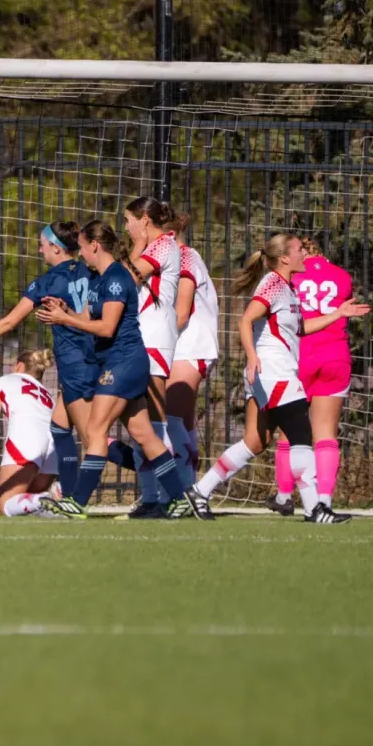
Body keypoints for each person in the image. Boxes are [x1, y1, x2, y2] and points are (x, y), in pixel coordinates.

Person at [189, 234, 368, 524]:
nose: (304, 255)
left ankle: (199, 491)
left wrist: (339, 313)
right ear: (284, 258)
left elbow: (302, 328)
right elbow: (246, 320)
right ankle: (315, 509)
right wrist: (252, 356)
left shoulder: (288, 288)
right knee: (301, 435)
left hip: (273, 373)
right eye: (299, 250)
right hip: (274, 371)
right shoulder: (272, 284)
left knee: (255, 442)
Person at [35, 221, 203, 520]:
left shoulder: (115, 278)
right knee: (144, 434)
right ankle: (179, 498)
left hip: (123, 363)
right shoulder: (99, 280)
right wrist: (64, 311)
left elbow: (106, 327)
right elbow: (87, 316)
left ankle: (78, 502)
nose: (81, 254)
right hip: (120, 363)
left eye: (83, 247)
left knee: (96, 431)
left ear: (94, 246)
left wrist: (65, 320)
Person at [0, 222, 95, 497]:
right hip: (98, 359)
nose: (39, 249)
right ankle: (65, 492)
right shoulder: (93, 271)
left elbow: (9, 322)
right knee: (60, 429)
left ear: (56, 249)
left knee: (95, 440)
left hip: (76, 365)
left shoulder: (48, 282)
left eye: (42, 245)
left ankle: (151, 474)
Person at [267, 240, 353, 516]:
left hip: (301, 356)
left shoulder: (293, 275)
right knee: (326, 432)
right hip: (335, 354)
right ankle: (324, 501)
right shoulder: (342, 276)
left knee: (289, 430)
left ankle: (283, 495)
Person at [121, 197, 186, 508]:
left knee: (154, 422)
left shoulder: (162, 245)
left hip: (154, 338)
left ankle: (174, 495)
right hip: (142, 337)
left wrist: (135, 245)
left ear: (144, 219)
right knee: (142, 422)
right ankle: (151, 498)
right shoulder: (153, 247)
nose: (126, 228)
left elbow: (124, 280)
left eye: (129, 221)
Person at [0, 349, 60, 517]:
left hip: (27, 440)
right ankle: (53, 494)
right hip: (54, 446)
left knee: (5, 504)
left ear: (19, 365)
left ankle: (48, 496)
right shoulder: (45, 393)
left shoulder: (5, 381)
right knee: (27, 500)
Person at [168, 233, 220, 490]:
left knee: (170, 421)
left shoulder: (185, 258)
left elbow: (181, 313)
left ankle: (179, 492)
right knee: (182, 422)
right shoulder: (183, 258)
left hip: (188, 349)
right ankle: (188, 488)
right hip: (187, 349)